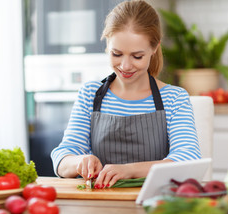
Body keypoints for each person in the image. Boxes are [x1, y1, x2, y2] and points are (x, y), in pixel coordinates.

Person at [51, 0, 201, 189]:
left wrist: (129, 170)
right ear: (107, 44)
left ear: (154, 48)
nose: (125, 65)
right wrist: (80, 161)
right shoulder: (90, 94)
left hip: (156, 204)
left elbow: (188, 160)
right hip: (99, 205)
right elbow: (63, 157)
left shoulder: (174, 98)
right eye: (116, 54)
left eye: (137, 56)